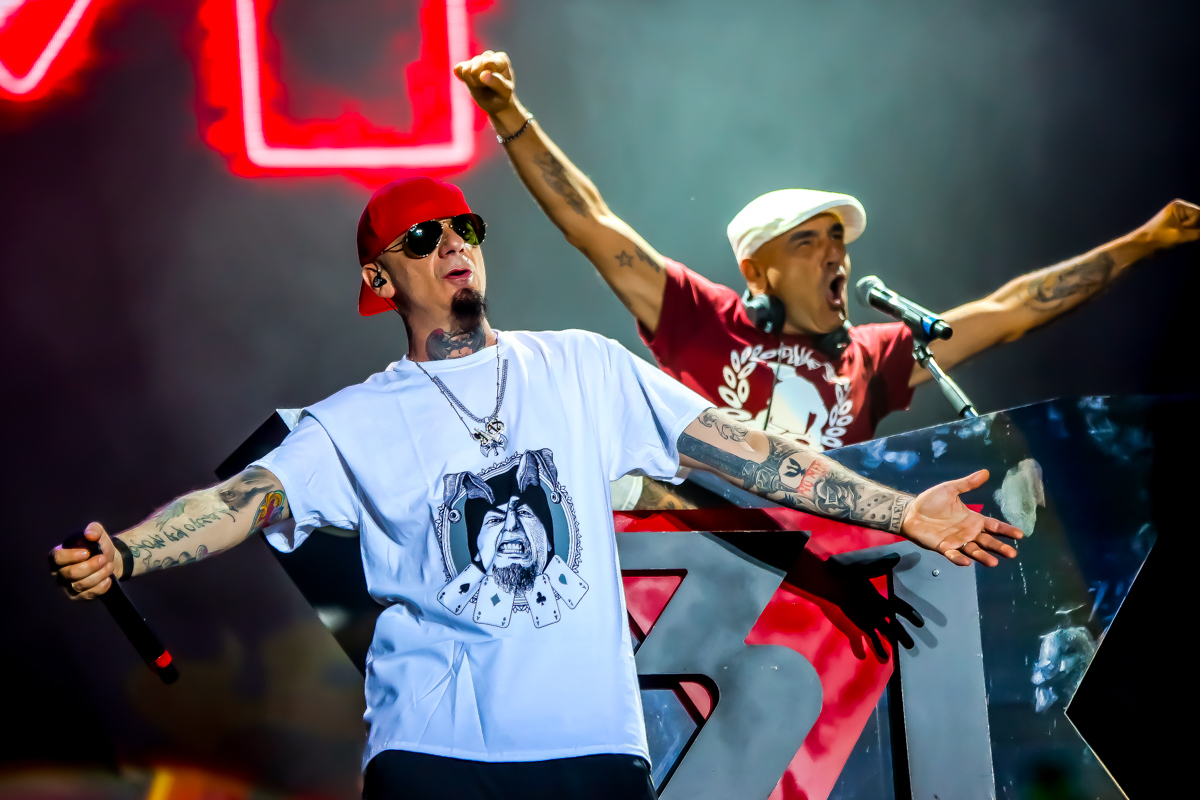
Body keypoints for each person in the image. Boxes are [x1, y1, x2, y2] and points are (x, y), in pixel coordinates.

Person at [51, 176, 1022, 800]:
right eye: (421, 237)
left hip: (590, 751)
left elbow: (749, 453)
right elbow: (244, 499)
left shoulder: (583, 368)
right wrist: (130, 551)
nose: (452, 243)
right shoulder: (358, 418)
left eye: (462, 227)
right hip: (432, 756)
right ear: (379, 279)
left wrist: (902, 510)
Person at [454, 50, 1200, 453]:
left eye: (837, 238)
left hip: (832, 610)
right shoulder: (701, 320)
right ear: (758, 271)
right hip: (711, 595)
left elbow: (1012, 311)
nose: (833, 255)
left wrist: (1146, 241)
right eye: (807, 241)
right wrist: (509, 114)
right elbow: (591, 222)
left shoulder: (875, 357)